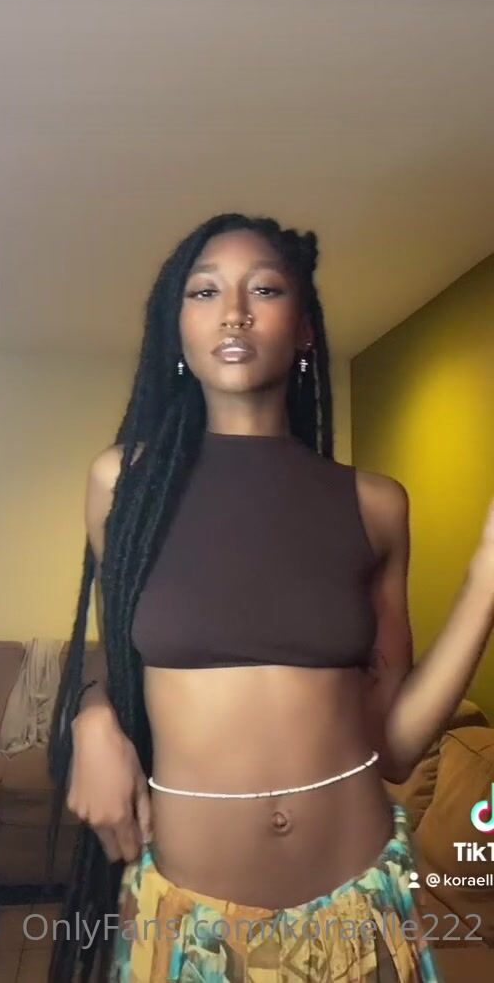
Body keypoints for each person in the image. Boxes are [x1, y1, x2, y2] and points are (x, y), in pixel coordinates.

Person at [47, 212, 494, 982]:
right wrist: (91, 719)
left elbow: (394, 747)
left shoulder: (375, 504)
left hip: (361, 909)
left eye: (265, 289)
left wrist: (486, 580)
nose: (234, 312)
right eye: (204, 291)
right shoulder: (124, 484)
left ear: (306, 329)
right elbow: (119, 653)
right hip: (190, 926)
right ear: (176, 328)